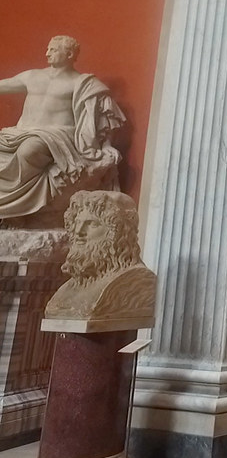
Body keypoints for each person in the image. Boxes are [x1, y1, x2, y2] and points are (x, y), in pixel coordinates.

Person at [0, 36, 126, 226]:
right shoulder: (32, 76)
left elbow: (100, 116)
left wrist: (106, 144)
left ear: (69, 54)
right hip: (19, 132)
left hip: (56, 134)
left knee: (29, 150)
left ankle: (15, 209)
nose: (47, 53)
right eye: (48, 49)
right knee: (24, 146)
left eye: (52, 50)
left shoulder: (82, 83)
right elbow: (4, 85)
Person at [45, 190, 156, 323]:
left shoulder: (134, 281)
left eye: (91, 224)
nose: (79, 232)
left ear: (117, 232)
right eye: (77, 223)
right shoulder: (68, 288)